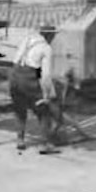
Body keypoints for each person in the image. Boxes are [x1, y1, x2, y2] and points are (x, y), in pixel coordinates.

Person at [10, 25, 59, 154]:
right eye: (54, 36)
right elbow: (45, 75)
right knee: (44, 111)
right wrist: (47, 95)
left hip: (14, 76)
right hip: (28, 78)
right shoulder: (46, 48)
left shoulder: (27, 39)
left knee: (20, 109)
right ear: (50, 35)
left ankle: (20, 140)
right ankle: (45, 144)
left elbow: (17, 60)